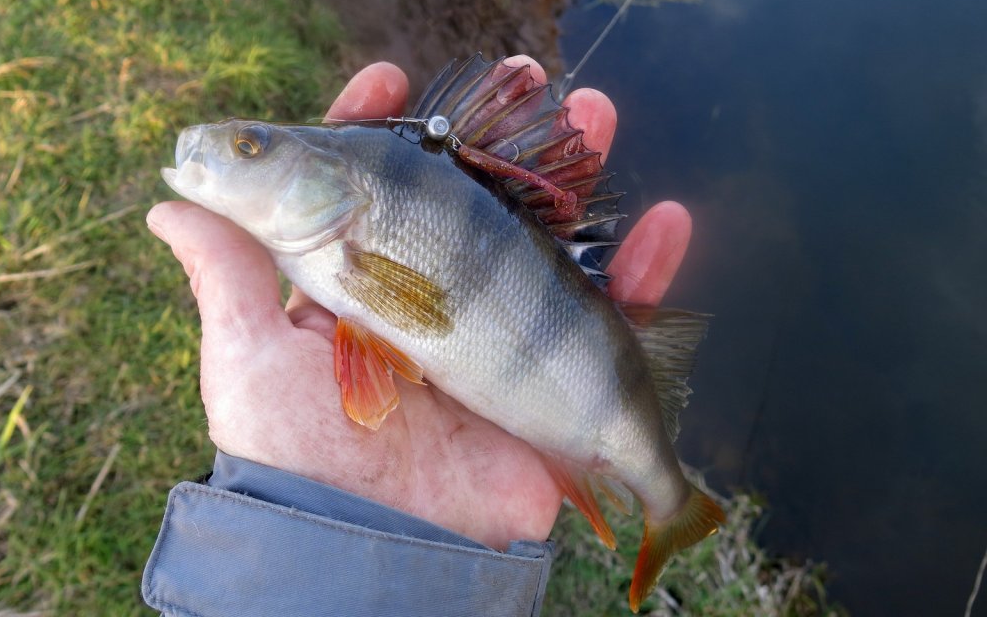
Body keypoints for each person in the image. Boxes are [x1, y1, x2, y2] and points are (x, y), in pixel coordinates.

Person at [141, 56, 694, 617]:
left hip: (584, 406)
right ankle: (671, 503)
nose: (214, 145)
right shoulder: (335, 247)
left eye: (250, 147)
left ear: (335, 180)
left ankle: (672, 506)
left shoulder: (344, 241)